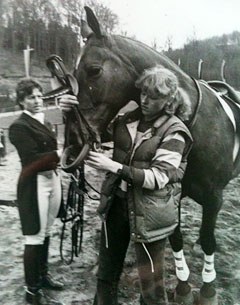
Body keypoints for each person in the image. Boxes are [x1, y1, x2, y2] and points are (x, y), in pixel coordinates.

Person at [85, 65, 193, 305]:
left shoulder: (175, 132)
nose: (144, 100)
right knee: (106, 276)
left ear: (168, 100)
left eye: (153, 96)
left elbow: (159, 177)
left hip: (150, 215)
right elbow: (94, 134)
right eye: (143, 93)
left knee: (151, 288)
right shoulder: (127, 120)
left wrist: (114, 167)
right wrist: (72, 109)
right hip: (116, 207)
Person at [8, 78, 77, 305]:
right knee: (34, 237)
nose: (37, 101)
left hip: (52, 180)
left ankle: (43, 275)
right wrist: (60, 154)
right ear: (21, 101)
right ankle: (32, 290)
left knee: (46, 232)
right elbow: (31, 160)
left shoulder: (43, 121)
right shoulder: (18, 126)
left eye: (39, 96)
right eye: (31, 97)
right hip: (34, 183)